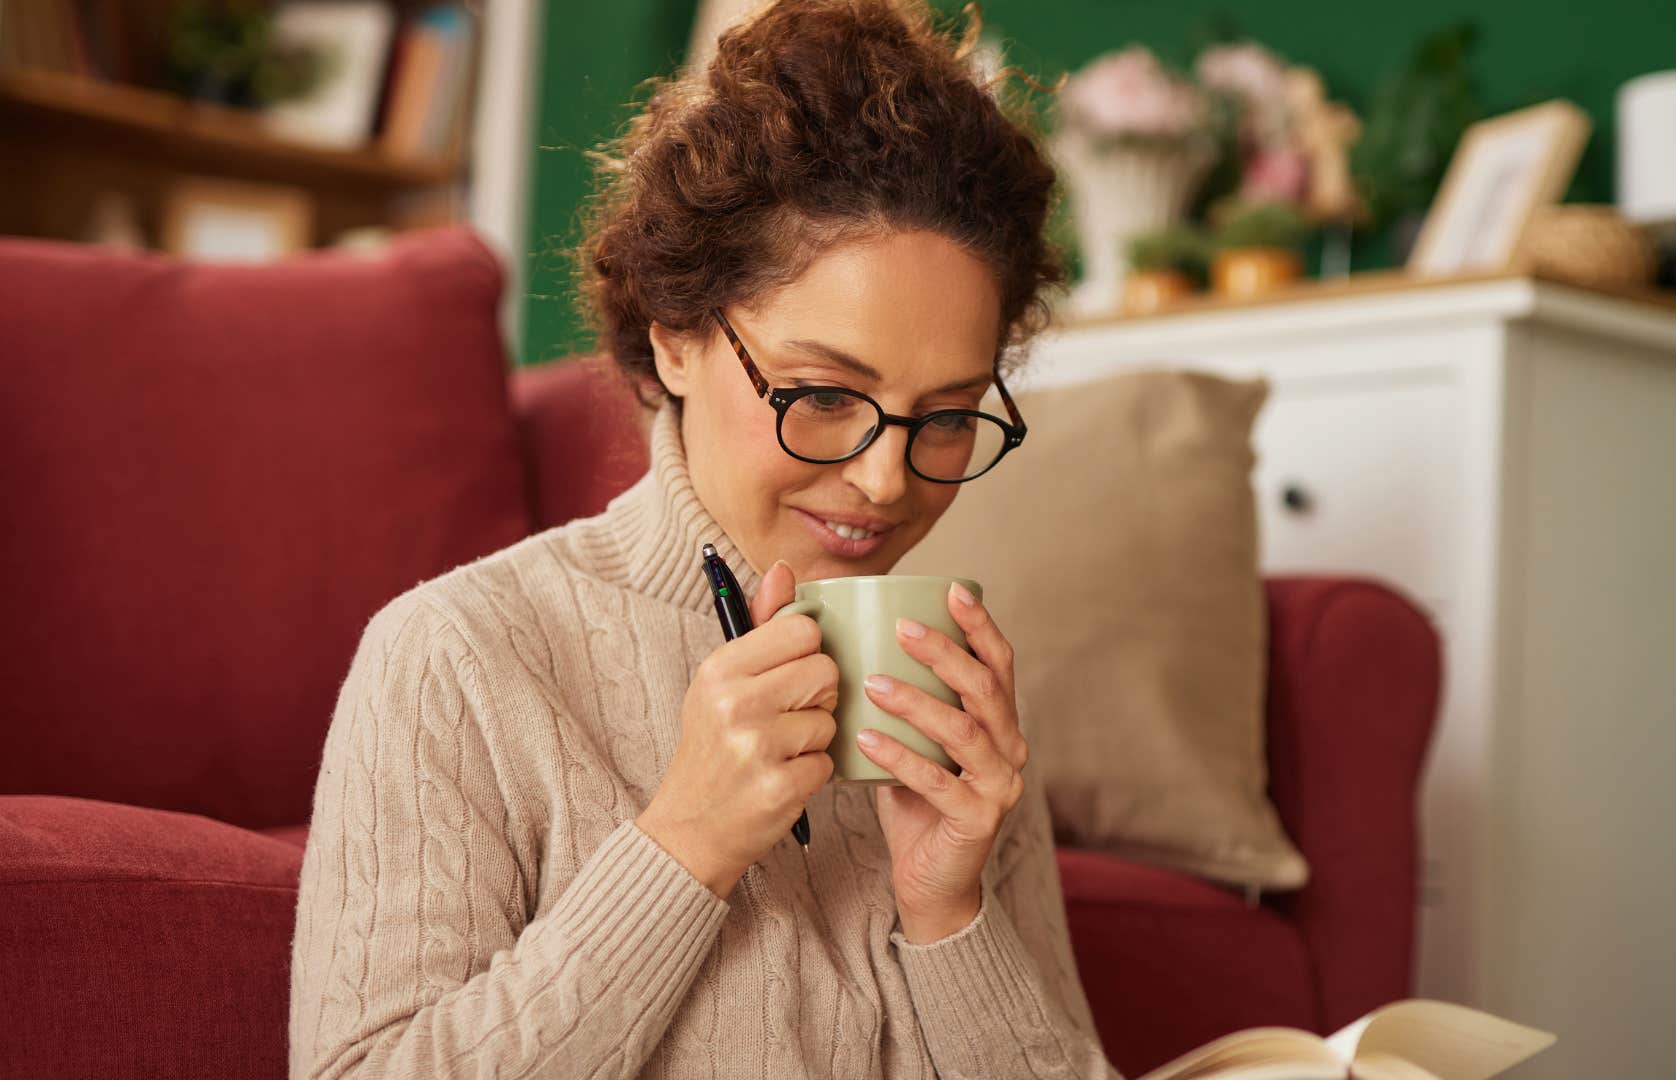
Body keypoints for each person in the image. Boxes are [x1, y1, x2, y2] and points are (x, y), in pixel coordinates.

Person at [287, 0, 1125, 1076]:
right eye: (823, 392)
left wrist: (949, 908)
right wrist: (684, 845)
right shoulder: (455, 657)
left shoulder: (950, 696)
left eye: (951, 417)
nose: (884, 480)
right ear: (675, 335)